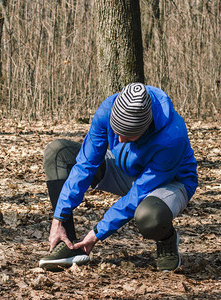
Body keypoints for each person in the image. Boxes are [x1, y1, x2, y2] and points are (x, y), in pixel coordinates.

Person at [38, 83, 198, 271]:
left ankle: (166, 238)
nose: (120, 140)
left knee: (149, 217)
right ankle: (68, 244)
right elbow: (85, 164)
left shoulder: (172, 137)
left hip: (170, 182)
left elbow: (138, 192)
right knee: (58, 153)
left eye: (129, 136)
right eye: (116, 131)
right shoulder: (108, 108)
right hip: (126, 169)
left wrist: (97, 233)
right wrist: (59, 217)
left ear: (146, 128)